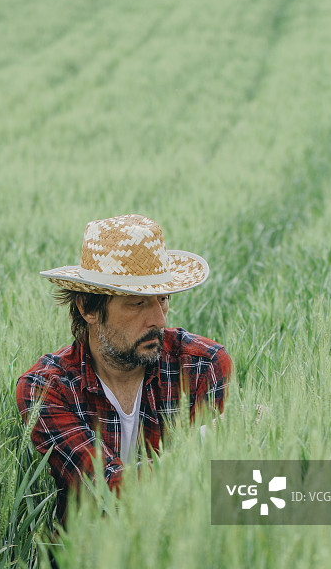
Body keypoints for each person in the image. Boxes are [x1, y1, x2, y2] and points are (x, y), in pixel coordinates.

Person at [16, 214, 232, 524]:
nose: (159, 319)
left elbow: (220, 492)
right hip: (86, 564)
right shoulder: (47, 389)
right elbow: (108, 491)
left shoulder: (203, 367)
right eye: (137, 303)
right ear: (88, 308)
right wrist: (204, 443)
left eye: (163, 298)